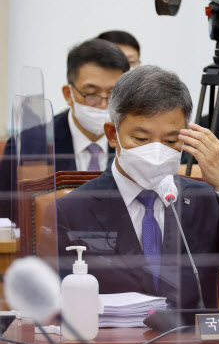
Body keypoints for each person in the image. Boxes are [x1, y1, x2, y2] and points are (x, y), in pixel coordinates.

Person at [41, 66, 219, 309]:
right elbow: (51, 306)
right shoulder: (71, 210)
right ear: (113, 135)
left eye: (170, 140)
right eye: (141, 139)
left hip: (190, 341)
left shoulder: (203, 200)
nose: (156, 151)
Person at [0, 39, 129, 220]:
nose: (103, 103)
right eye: (91, 93)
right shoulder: (29, 145)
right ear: (69, 94)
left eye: (113, 94)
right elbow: (7, 219)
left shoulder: (134, 142)